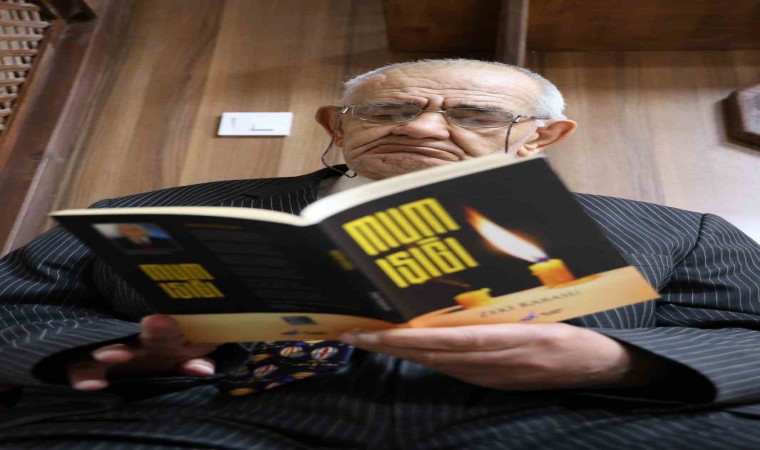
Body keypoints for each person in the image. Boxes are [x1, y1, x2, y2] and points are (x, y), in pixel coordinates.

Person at [0, 58, 759, 449]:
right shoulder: (151, 211)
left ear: (541, 137)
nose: (422, 128)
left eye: (475, 114)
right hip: (184, 417)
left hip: (581, 420)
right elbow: (16, 308)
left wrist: (616, 363)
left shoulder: (678, 230)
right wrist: (107, 352)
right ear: (339, 126)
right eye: (389, 110)